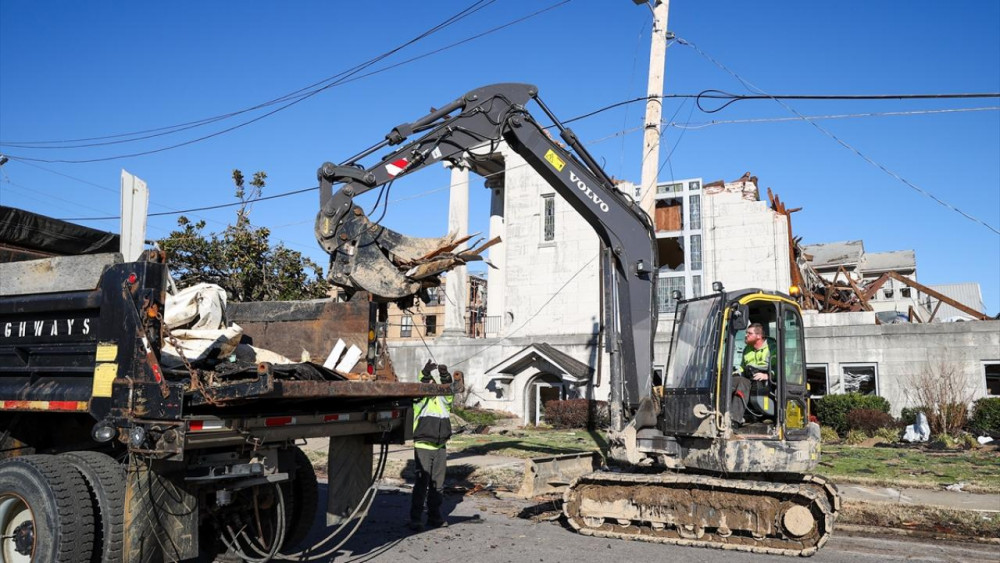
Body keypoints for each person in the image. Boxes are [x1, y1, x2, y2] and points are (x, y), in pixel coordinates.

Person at [409, 360, 462, 531]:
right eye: (429, 384)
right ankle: (415, 519)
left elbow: (448, 389)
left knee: (437, 486)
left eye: (435, 383)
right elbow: (422, 385)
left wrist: (445, 375)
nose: (433, 386)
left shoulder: (443, 401)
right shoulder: (420, 401)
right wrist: (425, 373)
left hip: (440, 447)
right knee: (421, 485)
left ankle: (434, 516)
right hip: (423, 446)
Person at [730, 323, 772, 426]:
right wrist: (733, 374)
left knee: (743, 382)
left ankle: (734, 420)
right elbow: (742, 368)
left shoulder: (772, 348)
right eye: (746, 333)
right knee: (727, 381)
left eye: (749, 333)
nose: (746, 335)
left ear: (758, 336)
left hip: (766, 382)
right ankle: (719, 414)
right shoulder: (747, 349)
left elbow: (784, 368)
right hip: (749, 378)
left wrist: (768, 375)